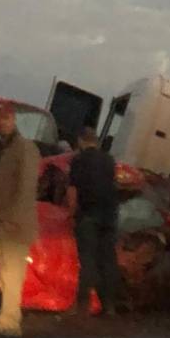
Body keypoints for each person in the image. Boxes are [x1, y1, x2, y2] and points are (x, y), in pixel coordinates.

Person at [0, 102, 41, 336]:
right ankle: (8, 319)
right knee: (4, 274)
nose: (0, 123)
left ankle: (8, 325)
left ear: (13, 119)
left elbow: (26, 188)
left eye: (4, 119)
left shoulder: (25, 148)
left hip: (15, 224)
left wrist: (11, 219)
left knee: (12, 275)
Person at [67, 127, 121, 316]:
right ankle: (109, 306)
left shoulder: (78, 160)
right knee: (108, 260)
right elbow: (114, 185)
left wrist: (70, 214)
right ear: (96, 141)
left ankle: (83, 305)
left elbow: (72, 191)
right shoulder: (109, 160)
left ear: (81, 141)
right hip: (110, 216)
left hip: (89, 215)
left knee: (88, 259)